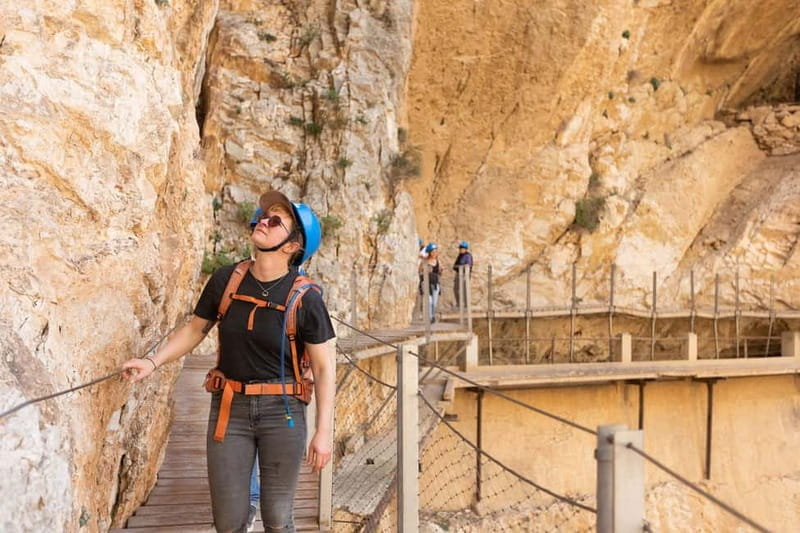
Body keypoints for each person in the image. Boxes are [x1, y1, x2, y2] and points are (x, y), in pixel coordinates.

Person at [123, 190, 336, 533]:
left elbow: (324, 369)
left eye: (275, 220)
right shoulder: (227, 279)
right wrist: (152, 362)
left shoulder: (306, 299)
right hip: (229, 409)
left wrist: (324, 433)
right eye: (262, 216)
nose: (262, 221)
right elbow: (195, 329)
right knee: (228, 522)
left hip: (282, 413)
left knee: (277, 518)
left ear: (293, 246)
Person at [418, 243, 441, 322]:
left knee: (434, 303)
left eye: (435, 251)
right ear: (429, 252)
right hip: (426, 284)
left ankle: (433, 315)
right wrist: (426, 271)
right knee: (429, 302)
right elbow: (419, 272)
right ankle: (430, 318)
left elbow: (439, 272)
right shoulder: (424, 262)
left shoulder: (438, 261)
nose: (434, 253)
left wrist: (441, 271)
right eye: (433, 252)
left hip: (435, 284)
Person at [452, 241, 473, 306]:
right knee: (455, 289)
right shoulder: (460, 256)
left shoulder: (468, 256)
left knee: (464, 290)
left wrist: (460, 267)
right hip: (458, 274)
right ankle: (459, 303)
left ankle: (466, 305)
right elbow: (455, 265)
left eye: (462, 248)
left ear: (465, 249)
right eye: (460, 248)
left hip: (464, 275)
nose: (460, 249)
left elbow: (468, 265)